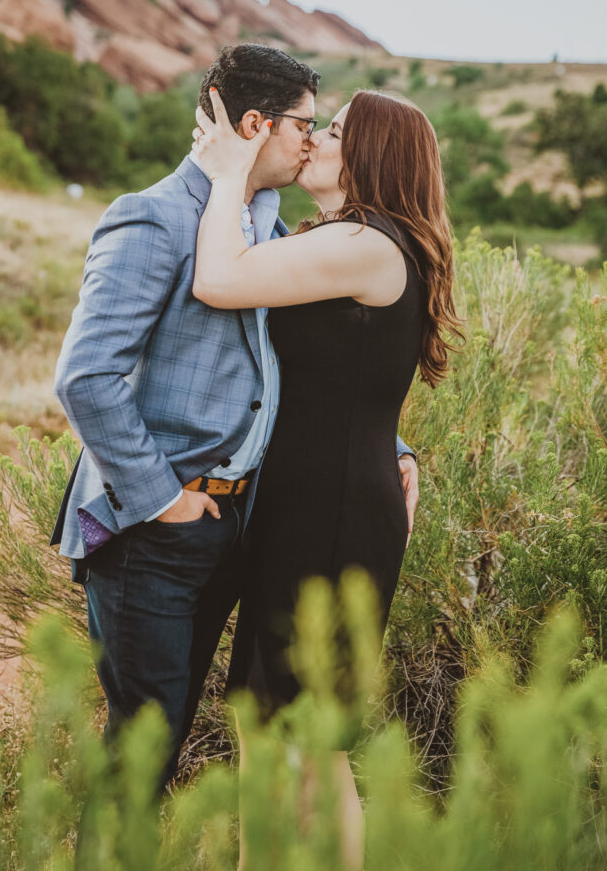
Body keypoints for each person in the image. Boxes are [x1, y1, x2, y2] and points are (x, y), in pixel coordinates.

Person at [49, 44, 419, 803]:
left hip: (234, 527)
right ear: (253, 124)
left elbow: (306, 368)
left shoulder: (267, 227)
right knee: (138, 758)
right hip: (154, 529)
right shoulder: (152, 219)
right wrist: (164, 500)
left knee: (175, 734)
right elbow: (85, 379)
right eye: (304, 126)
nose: (313, 141)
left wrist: (394, 447)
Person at [192, 86, 460, 869]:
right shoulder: (355, 239)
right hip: (312, 506)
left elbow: (220, 279)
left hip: (332, 517)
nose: (315, 141)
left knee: (303, 737)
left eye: (334, 132)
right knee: (263, 720)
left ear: (372, 155)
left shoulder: (369, 244)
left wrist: (222, 177)